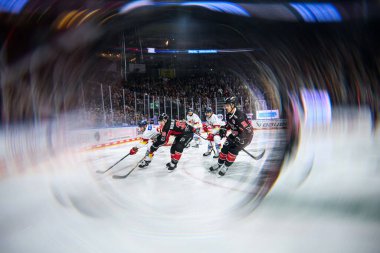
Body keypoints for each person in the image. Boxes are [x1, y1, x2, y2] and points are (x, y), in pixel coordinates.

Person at [209, 97, 253, 176]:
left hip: (246, 137)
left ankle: (225, 166)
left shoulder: (240, 116)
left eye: (227, 105)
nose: (225, 107)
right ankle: (219, 164)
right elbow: (229, 124)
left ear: (233, 105)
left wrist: (240, 138)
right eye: (225, 105)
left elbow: (248, 131)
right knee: (225, 148)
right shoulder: (228, 114)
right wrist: (224, 129)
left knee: (233, 151)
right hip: (235, 134)